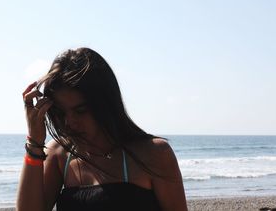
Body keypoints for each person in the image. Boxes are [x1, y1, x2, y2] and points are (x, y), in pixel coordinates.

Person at [16, 47, 188, 211]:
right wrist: (35, 142)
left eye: (81, 110)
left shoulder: (154, 154)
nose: (70, 122)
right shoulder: (60, 155)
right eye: (60, 113)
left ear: (106, 104)